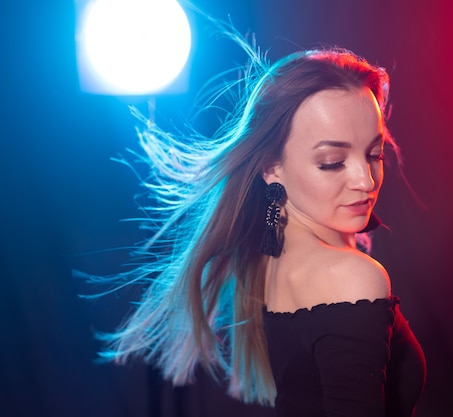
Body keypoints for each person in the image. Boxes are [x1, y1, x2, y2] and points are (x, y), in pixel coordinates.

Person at [97, 24, 426, 417]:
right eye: (332, 162)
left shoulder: (271, 253)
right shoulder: (350, 278)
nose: (365, 180)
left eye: (374, 154)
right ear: (272, 167)